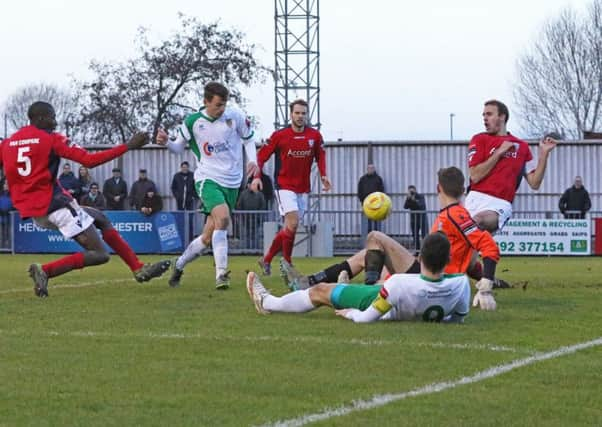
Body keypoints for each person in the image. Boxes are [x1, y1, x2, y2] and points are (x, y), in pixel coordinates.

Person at [0, 101, 171, 297]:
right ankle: (45, 271)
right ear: (40, 118)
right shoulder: (51, 139)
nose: (55, 122)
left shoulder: (8, 143)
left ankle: (138, 268)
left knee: (100, 218)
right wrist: (128, 146)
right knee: (99, 254)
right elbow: (89, 161)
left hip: (35, 212)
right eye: (52, 117)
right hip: (56, 207)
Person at [281, 166, 503, 311]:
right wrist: (485, 277)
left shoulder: (456, 214)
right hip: (429, 274)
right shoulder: (451, 215)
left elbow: (487, 245)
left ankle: (368, 289)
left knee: (375, 237)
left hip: (431, 279)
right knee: (366, 255)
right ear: (463, 189)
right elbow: (469, 260)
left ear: (438, 188)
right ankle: (309, 282)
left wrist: (487, 285)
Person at [156, 82, 261, 289]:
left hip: (232, 182)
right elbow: (178, 148)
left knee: (206, 238)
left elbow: (249, 139)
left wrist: (253, 161)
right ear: (205, 102)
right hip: (207, 179)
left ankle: (178, 265)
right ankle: (221, 275)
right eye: (217, 105)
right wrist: (167, 142)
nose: (221, 109)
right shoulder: (193, 122)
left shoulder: (235, 116)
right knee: (223, 219)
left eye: (224, 105)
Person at [247, 232, 471, 323]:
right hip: (401, 302)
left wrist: (350, 313)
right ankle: (342, 287)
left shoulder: (398, 282)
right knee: (369, 278)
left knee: (320, 291)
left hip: (380, 300)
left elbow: (366, 318)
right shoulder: (461, 284)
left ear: (420, 257)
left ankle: (266, 301)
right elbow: (457, 319)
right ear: (448, 259)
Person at [256, 99, 332, 275]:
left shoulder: (314, 136)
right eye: (297, 113)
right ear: (291, 114)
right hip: (283, 185)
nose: (300, 116)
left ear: (307, 115)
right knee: (293, 221)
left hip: (303, 188)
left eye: (303, 113)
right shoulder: (279, 136)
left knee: (290, 227)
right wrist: (257, 176)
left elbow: (320, 156)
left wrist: (324, 175)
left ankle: (266, 260)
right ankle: (287, 262)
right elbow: (261, 157)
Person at [465, 99, 557, 233]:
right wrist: (498, 153)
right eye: (483, 115)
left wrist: (544, 154)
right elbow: (475, 176)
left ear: (502, 116)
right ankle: (487, 253)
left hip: (499, 203)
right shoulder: (479, 139)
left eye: (489, 114)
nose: (485, 118)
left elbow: (535, 183)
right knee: (465, 245)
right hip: (474, 198)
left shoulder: (522, 147)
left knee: (477, 222)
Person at [236, 177, 267, 250]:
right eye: (252, 184)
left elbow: (263, 205)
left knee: (255, 235)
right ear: (248, 185)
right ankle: (246, 249)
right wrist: (242, 216)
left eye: (255, 184)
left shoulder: (259, 194)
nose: (254, 186)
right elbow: (239, 205)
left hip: (256, 219)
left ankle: (255, 249)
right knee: (245, 235)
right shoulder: (243, 194)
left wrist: (259, 217)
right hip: (245, 219)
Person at [357, 163, 385, 236]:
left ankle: (377, 235)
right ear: (367, 169)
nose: (370, 170)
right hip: (366, 204)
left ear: (374, 169)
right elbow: (360, 191)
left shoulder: (378, 179)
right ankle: (368, 235)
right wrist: (362, 201)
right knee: (367, 221)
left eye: (372, 168)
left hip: (376, 204)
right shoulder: (363, 179)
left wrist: (379, 201)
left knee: (376, 220)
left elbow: (381, 191)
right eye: (369, 168)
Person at [404, 185, 428, 252]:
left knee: (425, 236)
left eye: (412, 191)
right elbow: (405, 206)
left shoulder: (421, 196)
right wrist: (408, 198)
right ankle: (417, 251)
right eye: (410, 191)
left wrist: (414, 200)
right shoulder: (409, 198)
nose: (412, 192)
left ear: (415, 190)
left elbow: (421, 206)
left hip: (422, 219)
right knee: (415, 236)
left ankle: (425, 251)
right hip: (414, 220)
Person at [0, 181, 13, 247]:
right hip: (1, 218)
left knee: (9, 233)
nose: (6, 185)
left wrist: (9, 210)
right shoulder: (1, 194)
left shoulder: (12, 194)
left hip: (10, 218)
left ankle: (9, 247)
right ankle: (2, 247)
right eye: (5, 184)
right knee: (2, 233)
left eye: (7, 184)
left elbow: (15, 205)